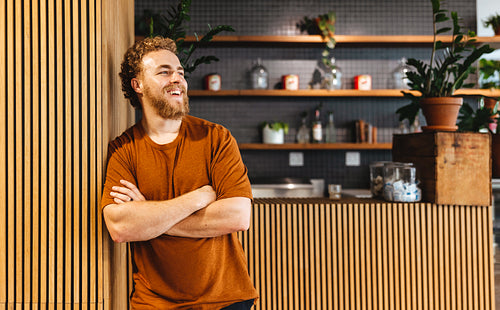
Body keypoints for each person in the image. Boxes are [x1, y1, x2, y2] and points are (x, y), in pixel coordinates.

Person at [101, 36, 258, 309]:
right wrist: (199, 198)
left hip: (226, 300)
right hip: (155, 304)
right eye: (164, 72)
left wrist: (149, 217)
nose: (178, 79)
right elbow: (121, 226)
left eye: (180, 73)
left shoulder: (216, 138)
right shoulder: (123, 149)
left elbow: (237, 216)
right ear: (137, 85)